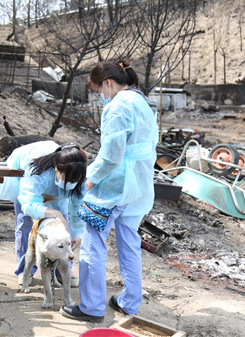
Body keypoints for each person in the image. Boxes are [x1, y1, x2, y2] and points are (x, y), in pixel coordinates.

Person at [61, 60, 158, 323]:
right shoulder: (143, 102)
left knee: (93, 243)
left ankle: (92, 307)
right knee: (129, 242)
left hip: (115, 186)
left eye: (97, 90)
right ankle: (129, 302)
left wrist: (90, 178)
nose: (98, 96)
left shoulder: (117, 106)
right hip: (139, 184)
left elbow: (112, 155)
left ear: (107, 83)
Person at [0, 141, 87, 286]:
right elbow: (29, 202)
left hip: (54, 186)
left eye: (75, 180)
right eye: (69, 179)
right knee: (26, 224)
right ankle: (26, 268)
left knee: (64, 226)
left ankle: (63, 269)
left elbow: (78, 208)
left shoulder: (79, 175)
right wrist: (54, 213)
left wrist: (78, 234)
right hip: (24, 177)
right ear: (57, 169)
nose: (72, 183)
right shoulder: (39, 171)